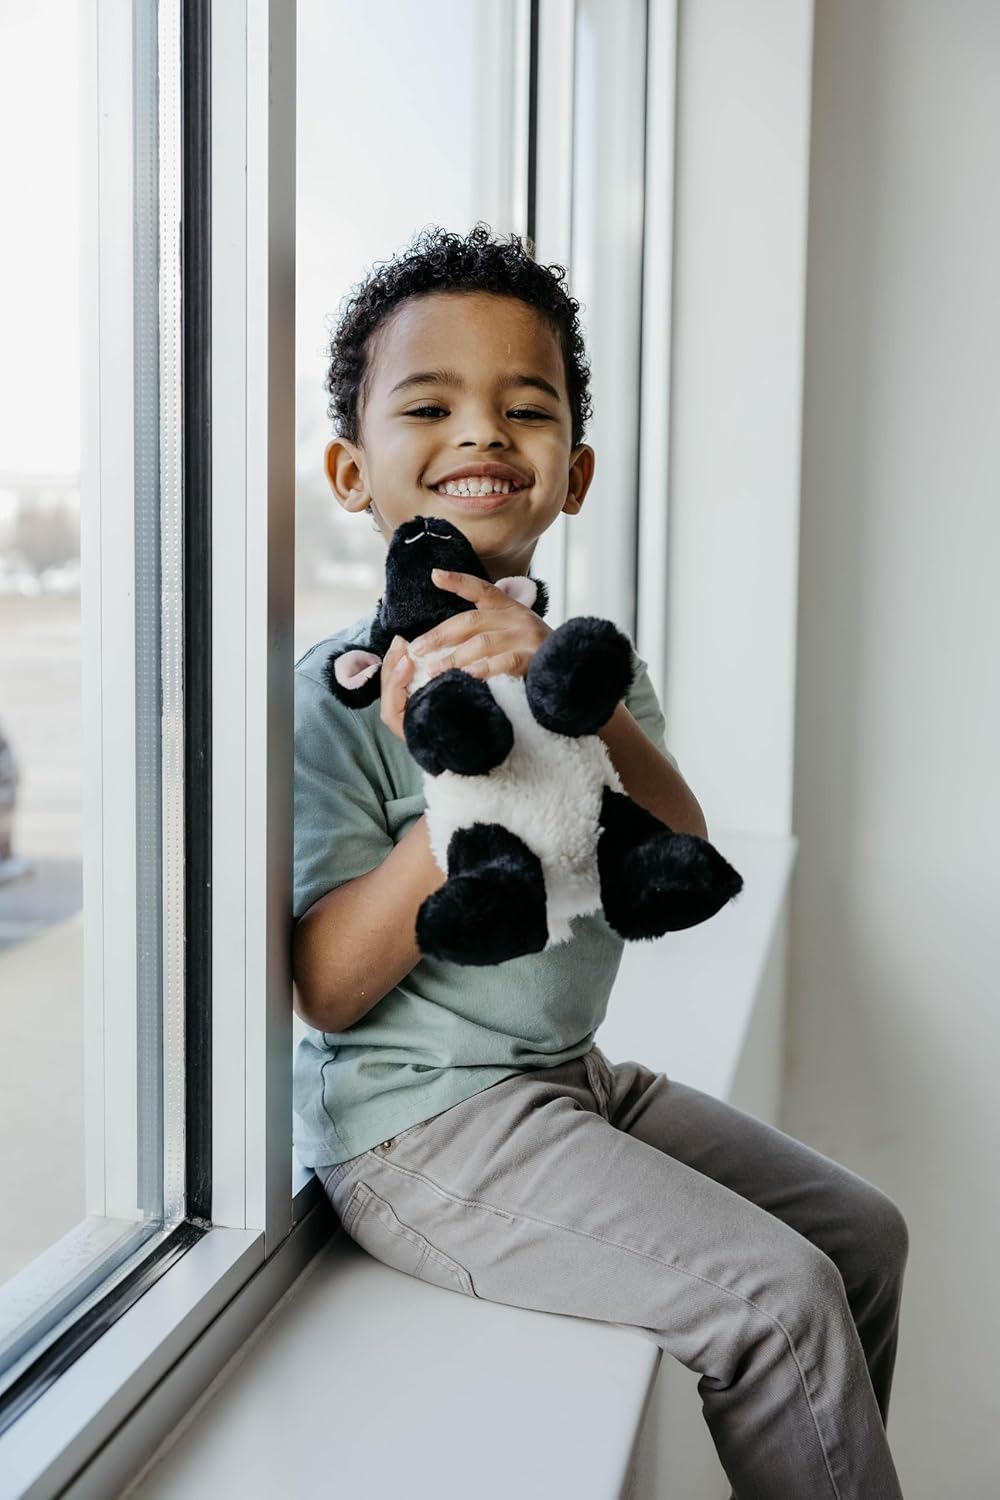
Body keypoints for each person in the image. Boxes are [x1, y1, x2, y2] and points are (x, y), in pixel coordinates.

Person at [291, 223, 909, 1498]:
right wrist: (456, 793)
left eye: (524, 408)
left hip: (568, 1077)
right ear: (353, 471)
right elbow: (328, 988)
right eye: (430, 406)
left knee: (861, 1236)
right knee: (779, 1301)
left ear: (572, 473)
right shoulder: (333, 699)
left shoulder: (581, 668)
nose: (480, 433)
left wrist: (582, 708)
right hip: (419, 1128)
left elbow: (678, 851)